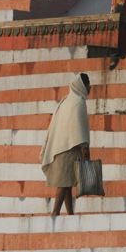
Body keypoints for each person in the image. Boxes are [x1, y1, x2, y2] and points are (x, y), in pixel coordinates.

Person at [40, 72, 91, 216]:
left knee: (67, 183)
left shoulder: (66, 101)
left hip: (60, 146)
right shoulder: (79, 102)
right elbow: (79, 128)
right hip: (70, 148)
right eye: (88, 85)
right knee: (64, 183)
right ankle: (55, 212)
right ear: (83, 86)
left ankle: (70, 214)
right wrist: (85, 148)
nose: (90, 88)